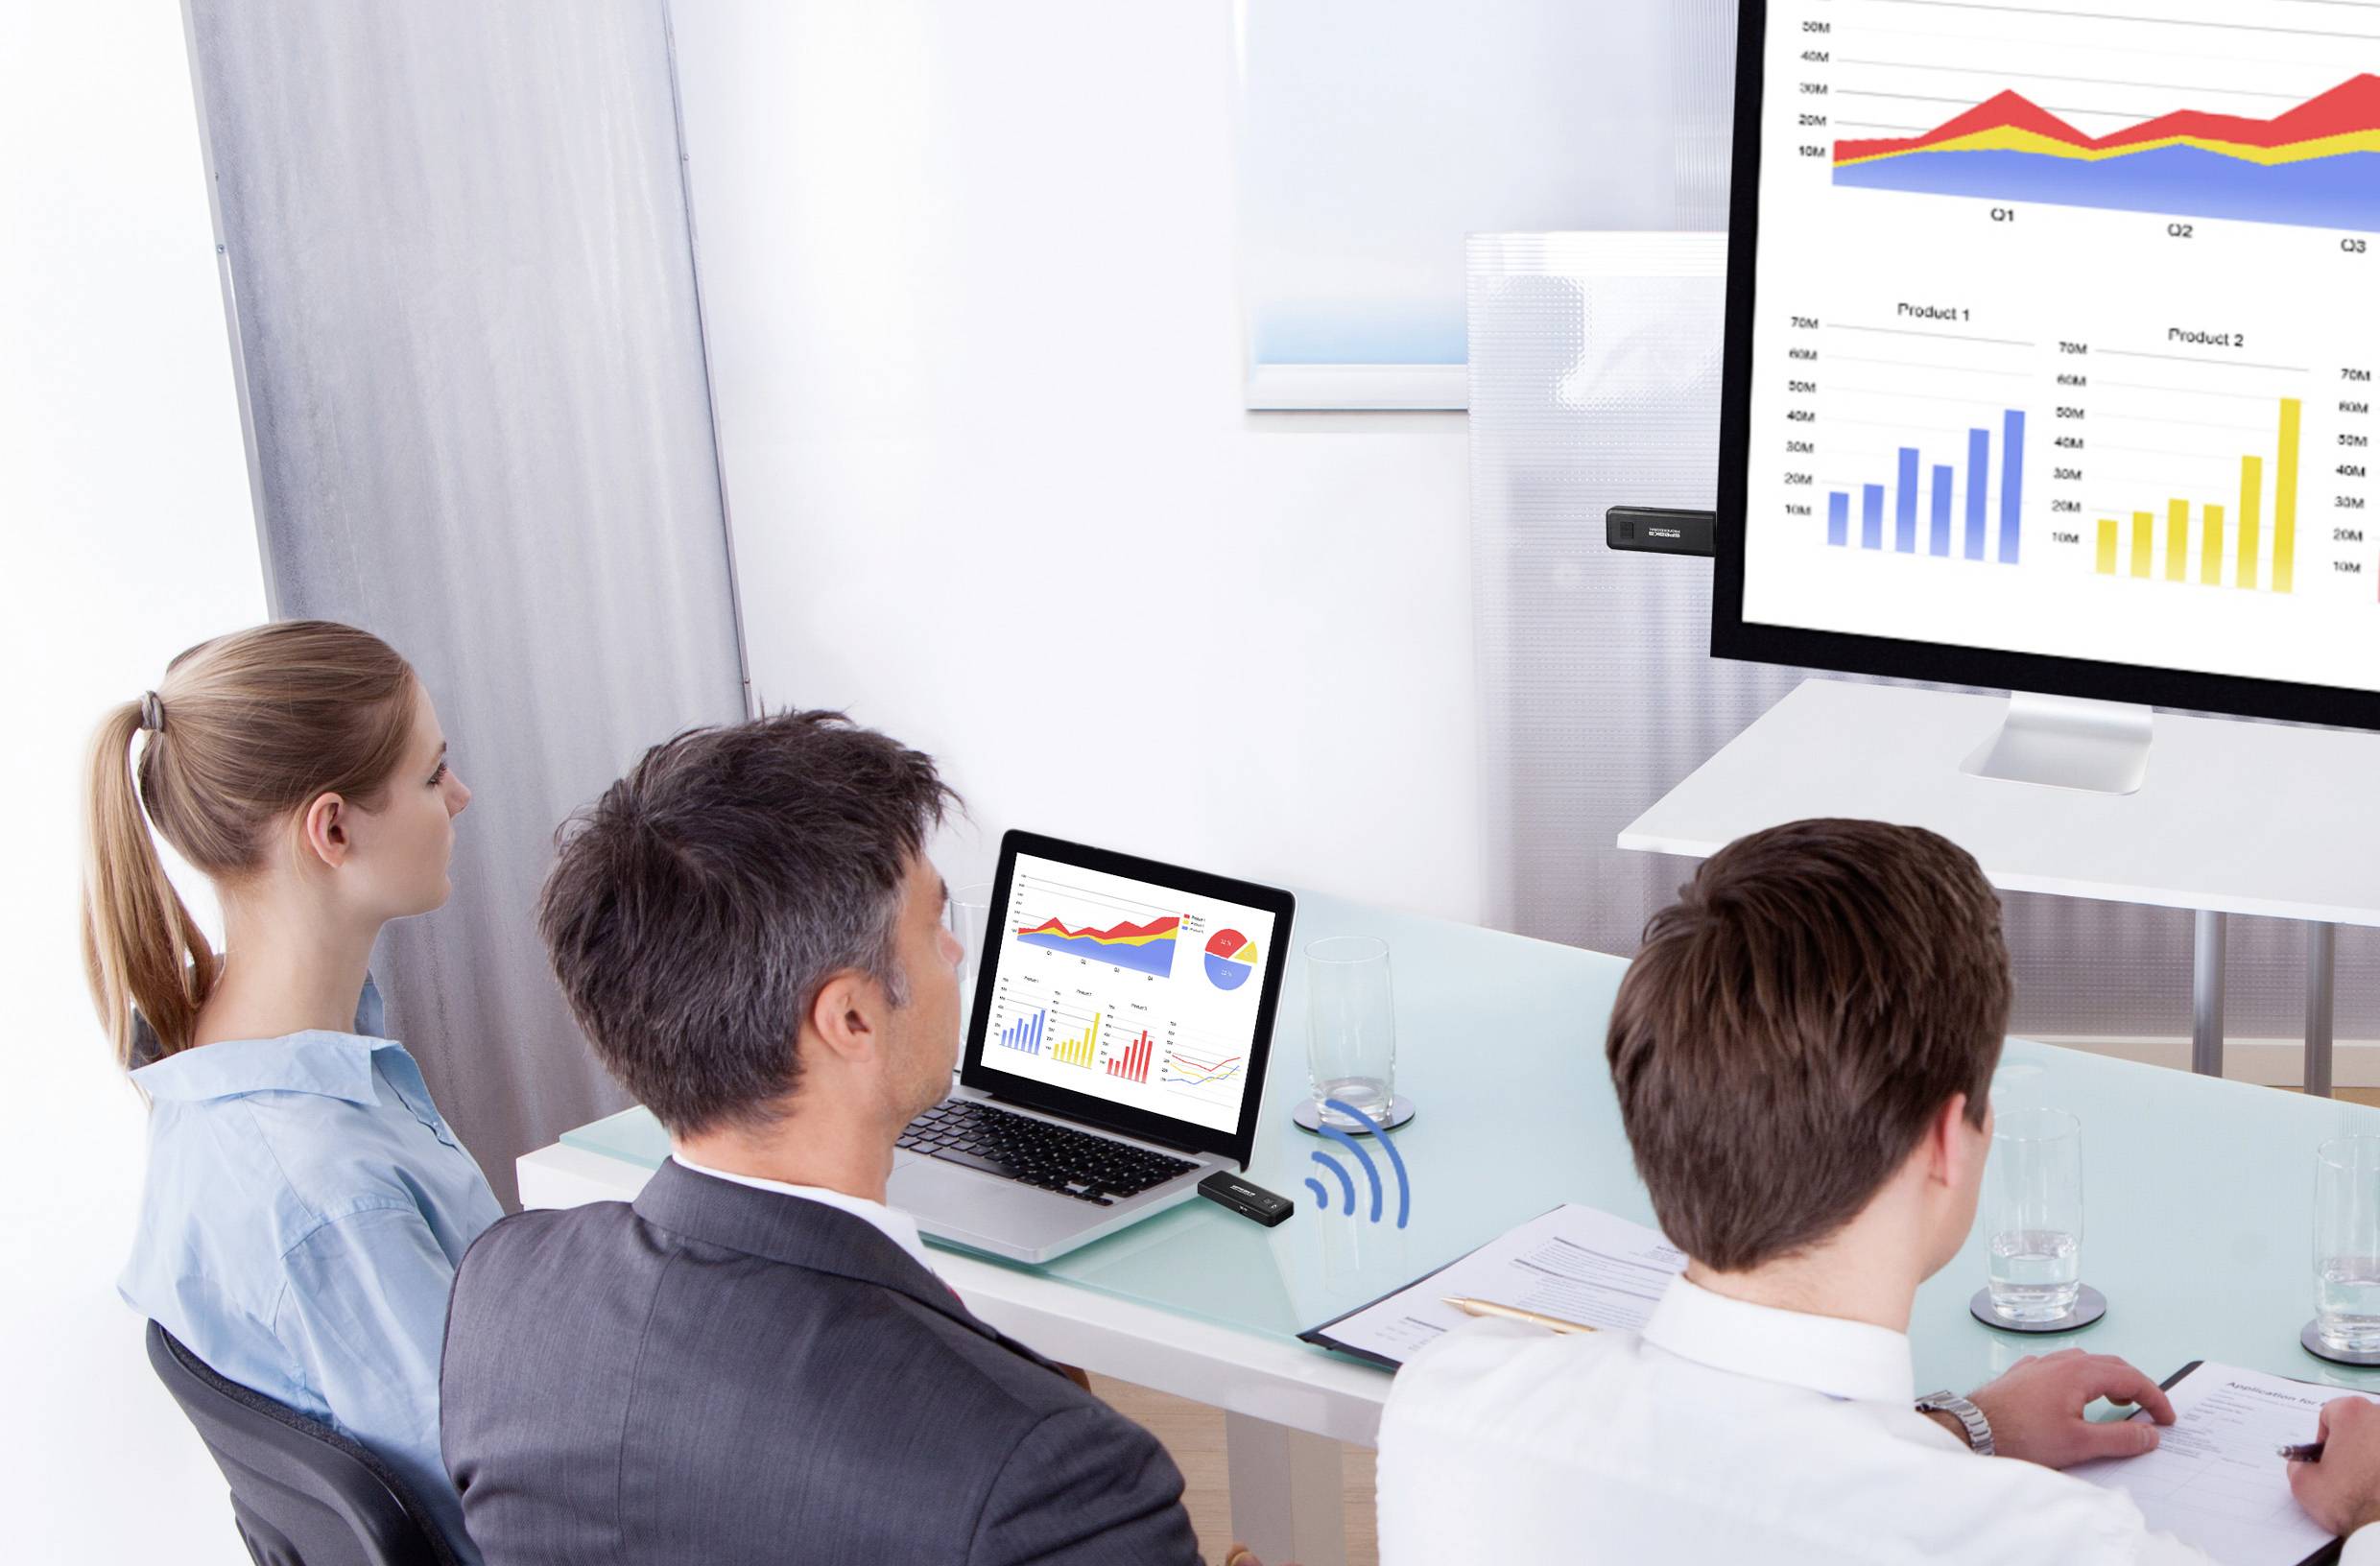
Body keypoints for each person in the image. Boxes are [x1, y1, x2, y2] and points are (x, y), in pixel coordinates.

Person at [1375, 818, 2380, 1563]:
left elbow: (1753, 1486)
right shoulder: (2050, 1547)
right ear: (1948, 1139)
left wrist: (1960, 1427)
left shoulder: (1454, 1399)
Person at [441, 711, 1245, 1564]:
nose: (956, 953)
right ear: (852, 1018)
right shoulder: (1053, 1476)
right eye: (935, 928)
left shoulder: (503, 1288)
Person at [87, 620, 499, 1561]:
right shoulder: (329, 1192)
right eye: (434, 774)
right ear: (334, 827)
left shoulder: (209, 1059)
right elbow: (500, 1519)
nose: (461, 796)